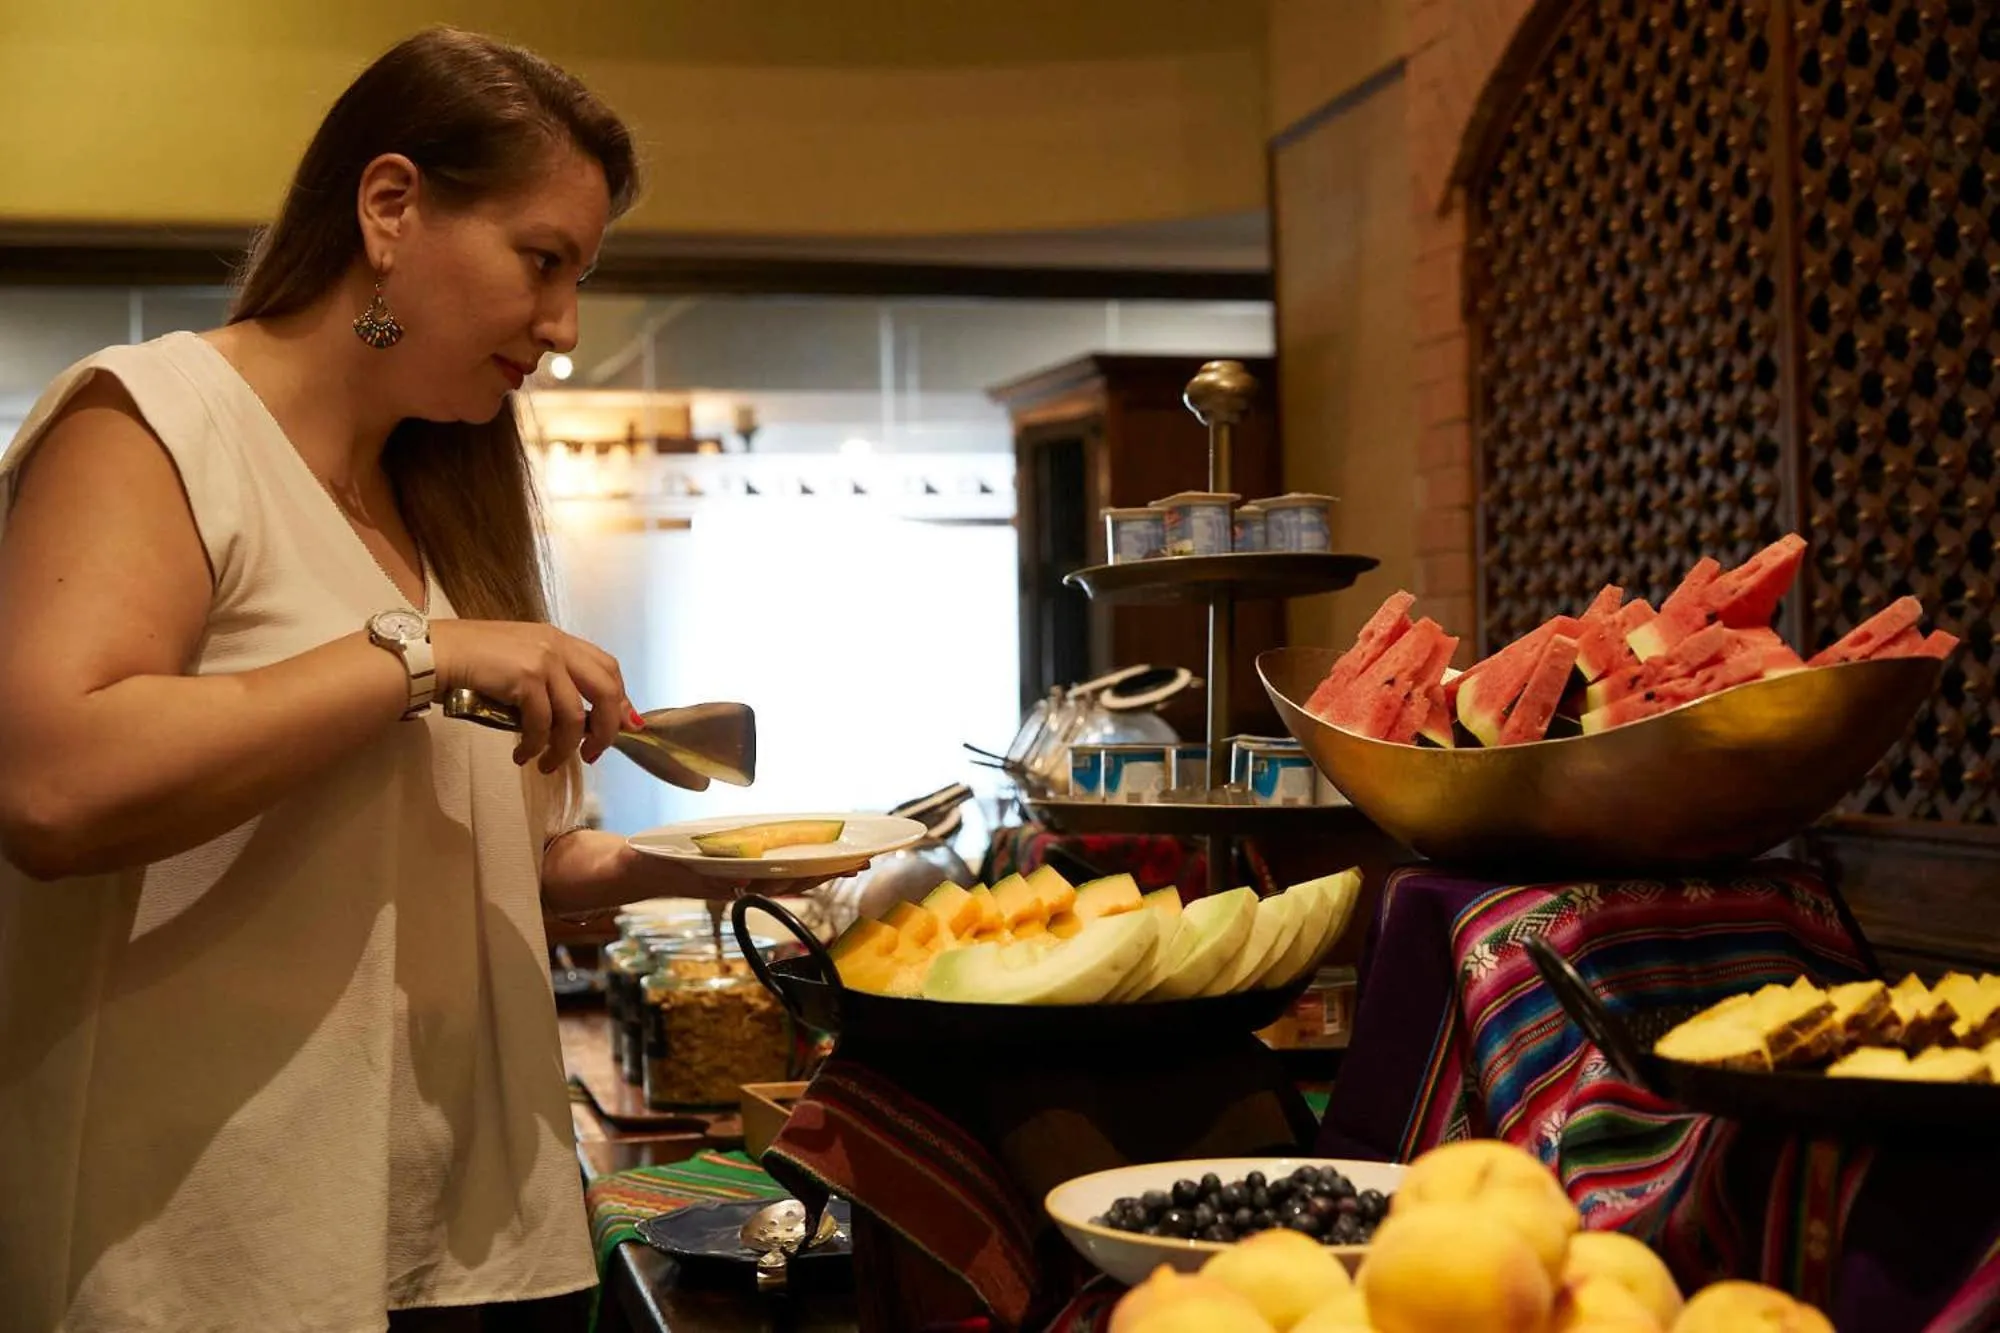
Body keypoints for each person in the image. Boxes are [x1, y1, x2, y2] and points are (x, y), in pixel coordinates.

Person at [0, 27, 790, 1333]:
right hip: (208, 1257)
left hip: (460, 1240)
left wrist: (701, 865)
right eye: (543, 264)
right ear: (390, 206)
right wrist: (419, 661)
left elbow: (491, 867)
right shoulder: (155, 422)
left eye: (579, 278)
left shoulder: (434, 505)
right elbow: (48, 786)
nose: (564, 328)